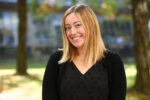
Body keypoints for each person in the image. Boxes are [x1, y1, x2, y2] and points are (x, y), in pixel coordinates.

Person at [42, 4, 126, 100]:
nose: (72, 32)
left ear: (91, 26)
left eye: (78, 25)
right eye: (68, 27)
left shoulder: (113, 60)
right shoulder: (56, 60)